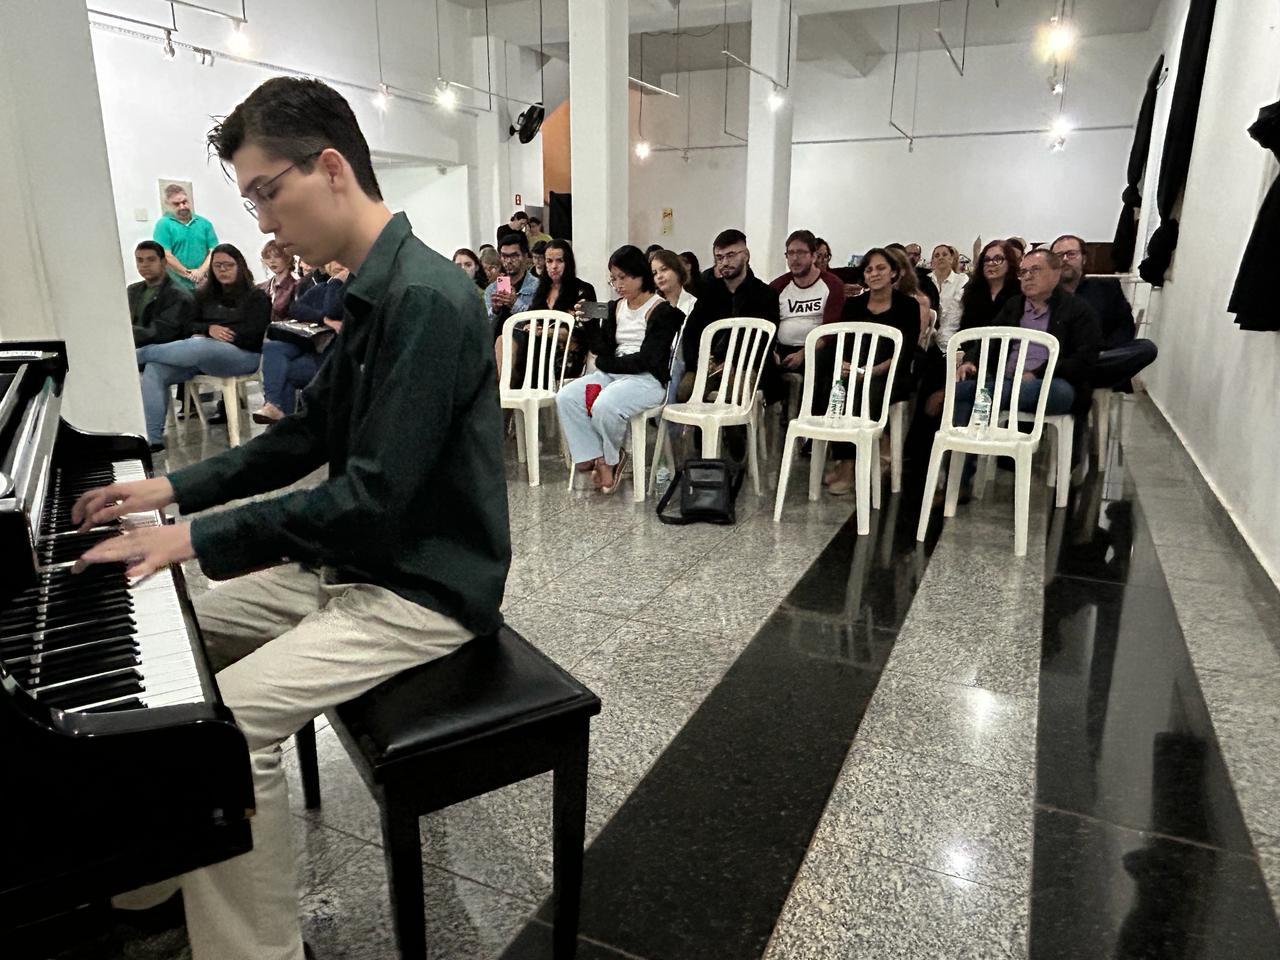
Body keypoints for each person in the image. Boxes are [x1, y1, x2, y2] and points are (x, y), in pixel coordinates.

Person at [73, 76, 508, 960]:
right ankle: (156, 874)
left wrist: (194, 537)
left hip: (424, 587)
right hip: (360, 565)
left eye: (267, 193)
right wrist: (171, 491)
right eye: (253, 202)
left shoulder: (426, 297)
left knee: (226, 729)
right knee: (174, 634)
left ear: (332, 168)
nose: (264, 223)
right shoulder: (372, 287)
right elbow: (305, 436)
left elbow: (369, 497)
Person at [950, 247, 1101, 494]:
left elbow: (1084, 360)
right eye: (1023, 272)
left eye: (1035, 270)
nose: (1027, 277)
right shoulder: (1015, 305)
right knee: (970, 395)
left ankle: (957, 477)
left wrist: (1038, 373)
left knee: (971, 393)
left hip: (1053, 384)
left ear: (1056, 273)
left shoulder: (1077, 310)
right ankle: (958, 481)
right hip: (1008, 381)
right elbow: (991, 338)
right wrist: (970, 361)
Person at [555, 245, 682, 494]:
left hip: (647, 380)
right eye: (613, 279)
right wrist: (590, 325)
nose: (618, 285)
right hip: (614, 373)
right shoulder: (616, 308)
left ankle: (610, 460)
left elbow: (648, 359)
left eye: (622, 277)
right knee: (566, 397)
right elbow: (602, 348)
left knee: (604, 404)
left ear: (640, 275)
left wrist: (606, 363)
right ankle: (594, 454)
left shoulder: (663, 311)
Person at [134, 243, 270, 451]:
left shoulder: (256, 297)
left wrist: (224, 336)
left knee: (200, 345)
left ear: (239, 266)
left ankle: (134, 356)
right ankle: (152, 439)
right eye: (217, 266)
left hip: (243, 355)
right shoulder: (203, 295)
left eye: (228, 265)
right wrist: (209, 329)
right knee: (155, 368)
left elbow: (255, 334)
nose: (223, 270)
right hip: (202, 357)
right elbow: (189, 325)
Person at [822, 248, 923, 495]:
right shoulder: (854, 305)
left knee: (864, 390)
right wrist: (846, 365)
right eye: (869, 270)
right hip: (857, 368)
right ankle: (845, 458)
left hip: (890, 373)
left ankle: (850, 466)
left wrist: (872, 371)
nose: (874, 274)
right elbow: (844, 342)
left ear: (894, 273)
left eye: (880, 268)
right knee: (835, 387)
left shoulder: (908, 306)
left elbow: (905, 351)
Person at [678, 228, 780, 402]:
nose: (725, 262)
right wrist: (701, 361)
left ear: (746, 255)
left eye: (731, 255)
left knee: (735, 393)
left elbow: (765, 340)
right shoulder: (708, 293)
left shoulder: (765, 294)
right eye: (719, 257)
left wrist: (734, 363)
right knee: (685, 390)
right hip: (710, 364)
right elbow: (691, 332)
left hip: (749, 364)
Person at [1050, 233, 1157, 391]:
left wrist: (1101, 350)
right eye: (1059, 256)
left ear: (1083, 258)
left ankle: (1085, 370)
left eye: (1071, 254)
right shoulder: (1045, 294)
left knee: (1146, 348)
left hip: (1100, 356)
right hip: (1062, 359)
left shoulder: (1107, 287)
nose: (1065, 259)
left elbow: (1125, 326)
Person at [256, 263, 349, 422]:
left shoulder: (348, 289)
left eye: (342, 260)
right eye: (333, 260)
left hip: (334, 354)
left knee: (284, 373)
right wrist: (323, 319)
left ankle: (280, 419)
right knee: (272, 347)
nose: (338, 265)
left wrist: (336, 282)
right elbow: (296, 309)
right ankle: (273, 406)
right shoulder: (321, 288)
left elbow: (333, 309)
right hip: (312, 343)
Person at [497, 239, 597, 386]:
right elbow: (531, 319)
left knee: (523, 348)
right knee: (503, 339)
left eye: (559, 261)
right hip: (537, 345)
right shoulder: (542, 289)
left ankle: (506, 388)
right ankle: (503, 387)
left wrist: (545, 332)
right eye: (549, 261)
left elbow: (588, 331)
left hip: (566, 352)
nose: (554, 266)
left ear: (568, 263)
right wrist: (530, 327)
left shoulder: (585, 289)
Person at [768, 229, 843, 377]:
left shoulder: (833, 285)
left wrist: (803, 353)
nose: (795, 258)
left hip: (817, 349)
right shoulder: (778, 286)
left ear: (814, 256)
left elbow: (830, 331)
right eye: (790, 253)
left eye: (801, 253)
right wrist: (771, 351)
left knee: (821, 359)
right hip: (783, 349)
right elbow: (769, 322)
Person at [128, 239, 195, 347]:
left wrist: (124, 332)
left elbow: (161, 333)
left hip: (162, 350)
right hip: (129, 347)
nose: (144, 265)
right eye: (140, 260)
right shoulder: (132, 290)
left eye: (151, 260)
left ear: (163, 262)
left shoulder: (178, 295)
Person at [154, 183, 219, 289]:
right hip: (176, 287)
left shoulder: (204, 223)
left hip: (204, 283)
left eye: (184, 202)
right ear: (168, 205)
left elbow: (213, 250)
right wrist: (190, 275)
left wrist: (201, 272)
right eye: (176, 204)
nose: (182, 206)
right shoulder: (163, 225)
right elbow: (165, 255)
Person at [959, 239, 1021, 332]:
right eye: (986, 260)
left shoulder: (1020, 291)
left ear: (1009, 262)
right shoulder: (972, 291)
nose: (990, 264)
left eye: (997, 259)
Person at [486, 231, 538, 334]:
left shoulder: (537, 286)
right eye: (504, 256)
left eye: (514, 256)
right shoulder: (492, 289)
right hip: (496, 339)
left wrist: (514, 303)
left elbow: (537, 323)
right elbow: (485, 329)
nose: (509, 261)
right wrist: (495, 310)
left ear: (525, 256)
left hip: (525, 341)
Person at [258, 239, 299, 323]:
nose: (272, 261)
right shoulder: (260, 288)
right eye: (268, 257)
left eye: (277, 256)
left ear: (287, 258)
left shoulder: (297, 285)